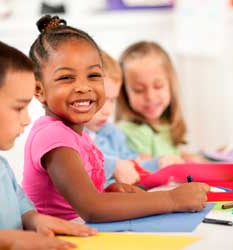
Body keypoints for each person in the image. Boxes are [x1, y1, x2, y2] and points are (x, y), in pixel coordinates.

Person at [23, 15, 209, 223]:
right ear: (39, 90)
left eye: (93, 75)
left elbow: (85, 199)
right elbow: (92, 208)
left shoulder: (77, 134)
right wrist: (172, 199)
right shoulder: (53, 136)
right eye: (66, 78)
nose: (84, 87)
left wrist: (109, 191)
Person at [0, 33, 96, 250]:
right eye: (18, 108)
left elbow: (22, 208)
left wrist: (36, 221)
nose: (26, 120)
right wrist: (10, 240)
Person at [85, 50, 184, 187]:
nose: (108, 111)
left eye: (112, 100)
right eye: (98, 101)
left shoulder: (113, 134)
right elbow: (78, 165)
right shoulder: (73, 137)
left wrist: (158, 163)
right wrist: (112, 167)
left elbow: (133, 166)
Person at [116, 41, 206, 162]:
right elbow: (144, 173)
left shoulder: (164, 123)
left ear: (170, 85)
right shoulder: (132, 131)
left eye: (158, 86)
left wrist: (189, 157)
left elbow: (169, 152)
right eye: (139, 90)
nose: (150, 96)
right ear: (125, 92)